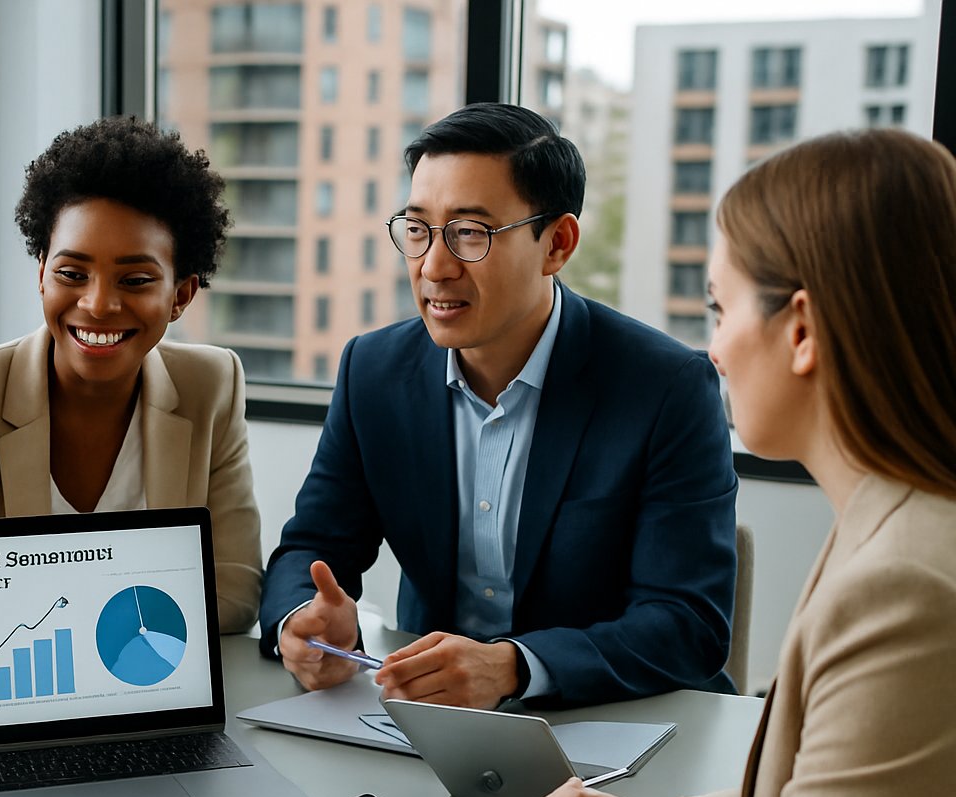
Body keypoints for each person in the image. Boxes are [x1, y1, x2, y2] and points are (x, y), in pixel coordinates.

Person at [260, 127, 956, 797]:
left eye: (718, 309)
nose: (712, 351)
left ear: (805, 329)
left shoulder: (904, 590)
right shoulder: (891, 529)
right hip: (460, 774)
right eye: (418, 230)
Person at [261, 103, 737, 709]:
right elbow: (312, 545)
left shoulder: (665, 387)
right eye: (418, 229)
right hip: (434, 725)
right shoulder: (374, 372)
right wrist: (301, 618)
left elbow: (686, 623)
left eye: (469, 233)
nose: (434, 266)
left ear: (556, 244)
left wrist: (514, 668)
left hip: (617, 723)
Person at [0, 116, 261, 680]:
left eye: (135, 280)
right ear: (42, 274)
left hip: (139, 701)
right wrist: (67, 647)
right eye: (72, 272)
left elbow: (234, 590)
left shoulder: (211, 385)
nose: (98, 305)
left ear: (181, 294)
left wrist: (46, 634)